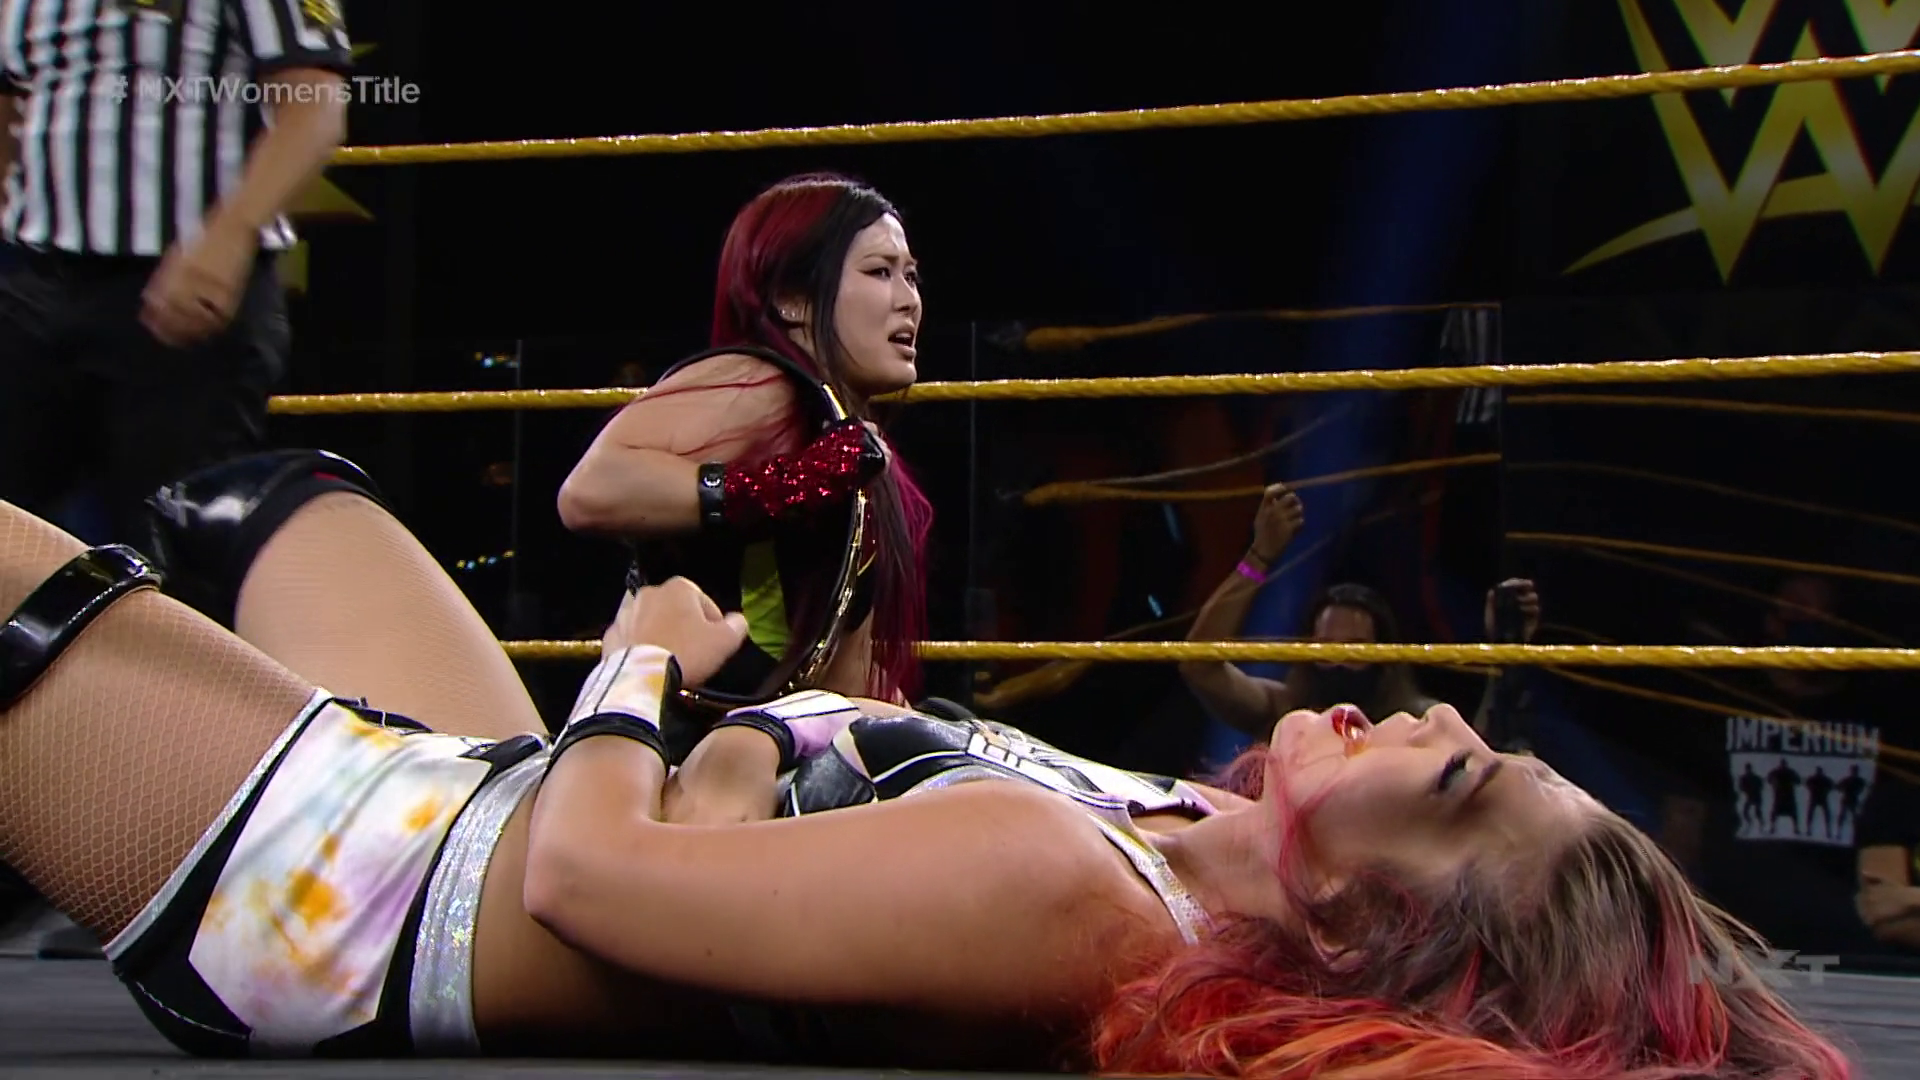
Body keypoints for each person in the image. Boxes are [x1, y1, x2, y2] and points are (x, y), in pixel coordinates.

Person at [0, 470, 1856, 1078]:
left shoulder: (1071, 901)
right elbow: (744, 812)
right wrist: (727, 759)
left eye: (1457, 789)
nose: (1436, 722)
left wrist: (647, 667)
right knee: (267, 503)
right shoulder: (1163, 836)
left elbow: (588, 881)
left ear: (1368, 926)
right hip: (488, 798)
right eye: (1480, 742)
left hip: (346, 888)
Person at [558, 172, 933, 719]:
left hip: (765, 733)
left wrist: (930, 732)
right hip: (684, 733)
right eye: (880, 272)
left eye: (912, 276)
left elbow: (843, 679)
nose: (909, 301)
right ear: (792, 301)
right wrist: (788, 485)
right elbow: (590, 490)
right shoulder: (763, 383)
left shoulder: (843, 434)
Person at [0, 0, 353, 547]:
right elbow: (12, 96)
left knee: (171, 545)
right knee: (11, 533)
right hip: (33, 282)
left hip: (184, 288)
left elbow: (315, 104)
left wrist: (229, 236)